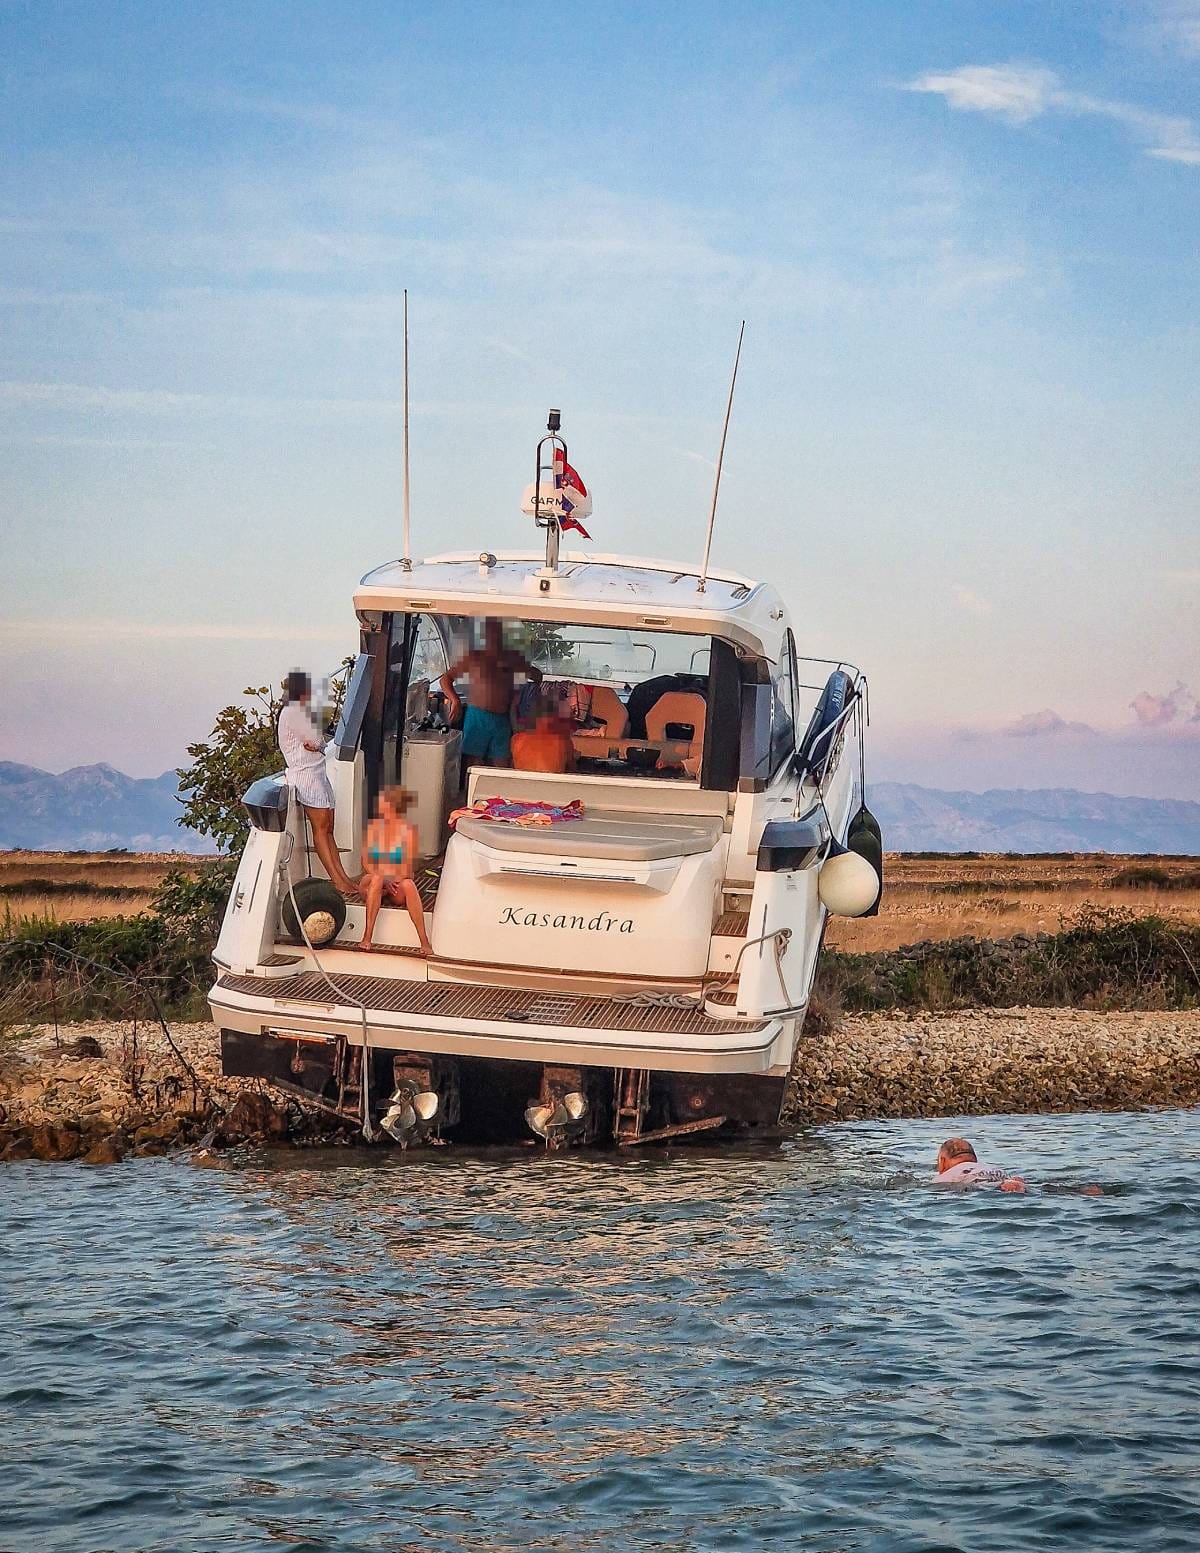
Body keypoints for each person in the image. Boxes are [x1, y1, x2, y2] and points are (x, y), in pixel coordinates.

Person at [277, 670, 361, 897]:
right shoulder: (294, 712)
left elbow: (317, 743)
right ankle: (337, 881)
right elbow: (316, 741)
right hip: (306, 777)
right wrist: (317, 744)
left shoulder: (299, 711)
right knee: (322, 829)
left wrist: (317, 744)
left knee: (328, 828)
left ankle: (343, 877)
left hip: (317, 774)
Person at [439, 619, 542, 767]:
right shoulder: (473, 657)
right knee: (472, 763)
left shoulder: (513, 659)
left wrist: (520, 668)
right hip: (477, 716)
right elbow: (445, 679)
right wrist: (455, 700)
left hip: (502, 719)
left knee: (502, 765)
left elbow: (538, 677)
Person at [358, 787, 432, 956]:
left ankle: (424, 940)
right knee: (377, 878)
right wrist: (384, 879)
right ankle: (367, 936)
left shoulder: (408, 832)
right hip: (373, 882)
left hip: (395, 883)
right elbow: (366, 862)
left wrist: (392, 879)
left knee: (409, 884)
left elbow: (408, 870)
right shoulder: (373, 829)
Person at [933, 1138, 1026, 1193]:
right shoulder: (993, 1169)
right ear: (974, 1158)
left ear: (942, 1161)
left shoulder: (945, 1178)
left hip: (982, 1190)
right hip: (1009, 1184)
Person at [511, 696, 576, 774]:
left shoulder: (517, 739)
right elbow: (572, 768)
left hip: (523, 781)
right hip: (551, 781)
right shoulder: (562, 740)